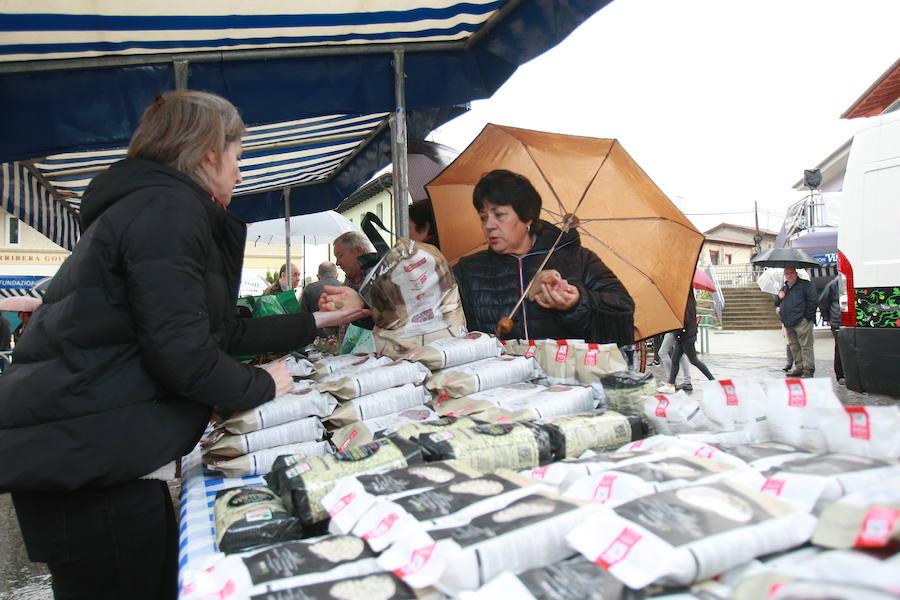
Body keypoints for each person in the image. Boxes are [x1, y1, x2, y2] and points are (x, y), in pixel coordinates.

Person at [0, 90, 365, 600]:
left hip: (88, 452)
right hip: (88, 462)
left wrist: (316, 320)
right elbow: (182, 352)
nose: (240, 171)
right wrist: (262, 383)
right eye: (237, 155)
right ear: (210, 153)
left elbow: (220, 331)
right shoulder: (167, 210)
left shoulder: (149, 206)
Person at [452, 169, 634, 342]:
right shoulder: (468, 271)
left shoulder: (578, 259)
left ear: (527, 218)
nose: (489, 225)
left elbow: (622, 307)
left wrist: (578, 302)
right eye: (483, 217)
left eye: (499, 215)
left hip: (562, 363)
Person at [657, 292, 716, 394]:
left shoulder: (685, 302)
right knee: (675, 359)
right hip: (682, 335)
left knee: (693, 360)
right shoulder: (685, 300)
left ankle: (713, 381)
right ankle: (670, 385)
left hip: (686, 336)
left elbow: (685, 320)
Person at [774, 266, 817, 378]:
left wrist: (807, 317)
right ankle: (799, 367)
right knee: (794, 346)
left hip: (802, 320)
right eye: (787, 273)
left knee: (806, 346)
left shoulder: (805, 285)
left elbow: (813, 300)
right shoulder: (784, 287)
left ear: (796, 273)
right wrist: (779, 297)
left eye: (791, 273)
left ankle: (808, 369)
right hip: (788, 321)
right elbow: (776, 302)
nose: (789, 275)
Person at [300, 261, 342, 337]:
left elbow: (303, 315)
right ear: (337, 275)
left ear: (318, 276)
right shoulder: (344, 288)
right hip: (340, 337)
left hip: (315, 337)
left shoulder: (309, 289)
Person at [818, 275, 845, 384]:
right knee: (840, 348)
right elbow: (822, 301)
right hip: (837, 320)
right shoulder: (834, 284)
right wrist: (827, 318)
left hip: (844, 319)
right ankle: (840, 374)